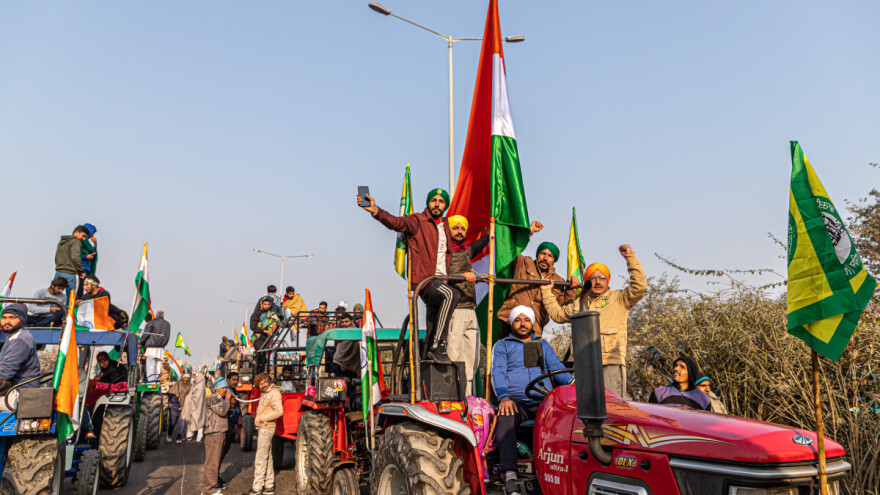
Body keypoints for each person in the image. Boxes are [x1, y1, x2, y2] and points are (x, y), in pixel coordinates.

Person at [358, 188, 460, 362]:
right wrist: (376, 211)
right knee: (452, 295)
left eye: (441, 201)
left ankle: (427, 363)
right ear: (428, 202)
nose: (437, 204)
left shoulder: (446, 227)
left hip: (442, 281)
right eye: (433, 200)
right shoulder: (418, 221)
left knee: (434, 324)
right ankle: (439, 344)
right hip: (426, 280)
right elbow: (396, 223)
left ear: (445, 205)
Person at [542, 245, 647, 399]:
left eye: (602, 277)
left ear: (607, 281)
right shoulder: (579, 303)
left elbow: (640, 287)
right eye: (593, 278)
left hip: (610, 363)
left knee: (613, 409)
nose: (598, 281)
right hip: (583, 366)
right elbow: (557, 315)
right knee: (586, 411)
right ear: (587, 281)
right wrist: (546, 291)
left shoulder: (619, 298)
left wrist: (630, 257)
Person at [491, 306, 573, 494]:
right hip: (516, 401)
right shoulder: (503, 345)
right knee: (505, 417)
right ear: (512, 323)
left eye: (526, 320)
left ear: (532, 323)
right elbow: (498, 373)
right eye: (518, 320)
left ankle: (561, 470)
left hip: (543, 400)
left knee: (567, 420)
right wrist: (503, 397)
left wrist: (573, 382)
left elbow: (556, 369)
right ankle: (510, 474)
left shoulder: (541, 345)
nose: (522, 324)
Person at [496, 229, 578, 339]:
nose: (545, 258)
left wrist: (571, 287)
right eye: (543, 253)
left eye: (550, 256)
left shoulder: (558, 281)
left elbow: (562, 307)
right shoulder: (524, 263)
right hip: (510, 323)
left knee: (531, 356)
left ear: (554, 260)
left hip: (534, 328)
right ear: (537, 255)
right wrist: (529, 232)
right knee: (506, 354)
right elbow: (512, 250)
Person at [445, 215, 489, 394]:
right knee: (454, 357)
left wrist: (489, 234)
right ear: (448, 231)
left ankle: (468, 399)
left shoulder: (465, 251)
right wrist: (462, 274)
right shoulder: (444, 253)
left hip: (470, 308)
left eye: (462, 228)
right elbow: (443, 271)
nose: (460, 232)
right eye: (455, 228)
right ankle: (455, 398)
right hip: (455, 309)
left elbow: (480, 245)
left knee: (472, 359)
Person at [0, 304, 42, 411]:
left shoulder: (20, 340)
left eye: (12, 318)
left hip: (20, 394)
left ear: (22, 320)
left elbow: (4, 372)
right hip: (13, 391)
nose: (7, 322)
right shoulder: (14, 336)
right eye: (4, 317)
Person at [247, 373, 283, 495]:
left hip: (266, 427)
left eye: (264, 382)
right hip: (265, 427)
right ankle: (268, 486)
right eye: (260, 384)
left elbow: (279, 411)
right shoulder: (267, 393)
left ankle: (257, 488)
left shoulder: (273, 393)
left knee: (260, 458)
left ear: (269, 381)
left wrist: (262, 418)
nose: (263, 385)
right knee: (267, 457)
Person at [201, 377, 231, 495]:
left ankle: (212, 487)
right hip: (214, 434)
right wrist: (228, 400)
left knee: (215, 462)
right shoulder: (213, 398)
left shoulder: (219, 398)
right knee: (212, 463)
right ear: (218, 389)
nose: (225, 390)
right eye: (223, 388)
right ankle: (208, 490)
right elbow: (222, 411)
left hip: (219, 433)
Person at [217, 372, 240, 490]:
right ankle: (214, 479)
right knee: (218, 453)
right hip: (224, 427)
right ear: (227, 380)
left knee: (224, 452)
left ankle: (216, 475)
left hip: (231, 426)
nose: (235, 382)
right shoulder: (224, 393)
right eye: (233, 380)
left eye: (237, 380)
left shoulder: (235, 392)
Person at [54, 225, 90, 299]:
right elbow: (75, 258)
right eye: (83, 236)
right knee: (71, 298)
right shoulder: (76, 242)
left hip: (58, 272)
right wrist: (81, 270)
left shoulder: (62, 242)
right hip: (71, 274)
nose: (83, 239)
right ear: (76, 233)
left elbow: (56, 258)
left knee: (53, 296)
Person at [139, 310, 171, 381]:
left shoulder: (152, 322)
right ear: (163, 316)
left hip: (151, 346)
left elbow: (146, 334)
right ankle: (156, 380)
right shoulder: (167, 324)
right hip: (161, 347)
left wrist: (140, 342)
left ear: (156, 315)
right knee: (158, 365)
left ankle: (151, 380)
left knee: (151, 364)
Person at [331, 313, 359, 381]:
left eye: (346, 321)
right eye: (342, 322)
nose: (344, 324)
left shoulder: (356, 331)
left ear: (351, 322)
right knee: (341, 387)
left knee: (348, 387)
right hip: (338, 362)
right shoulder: (341, 332)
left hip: (350, 364)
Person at [168, 373, 192, 443]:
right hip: (174, 405)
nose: (186, 379)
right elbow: (170, 393)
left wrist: (183, 407)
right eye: (185, 378)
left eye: (187, 378)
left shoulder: (190, 387)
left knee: (182, 423)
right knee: (172, 422)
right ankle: (169, 434)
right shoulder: (177, 384)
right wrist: (169, 403)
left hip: (184, 406)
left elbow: (189, 398)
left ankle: (179, 438)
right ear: (182, 378)